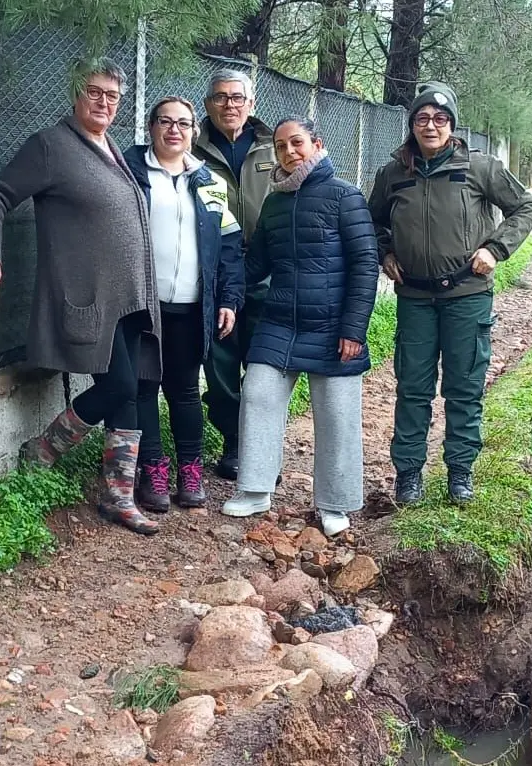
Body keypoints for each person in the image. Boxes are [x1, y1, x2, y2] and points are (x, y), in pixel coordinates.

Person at [0, 58, 163, 536]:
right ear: (76, 94)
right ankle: (45, 449)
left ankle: (117, 495)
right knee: (119, 386)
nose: (103, 103)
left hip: (128, 297)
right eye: (94, 93)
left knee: (131, 386)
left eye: (112, 97)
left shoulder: (111, 147)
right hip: (89, 298)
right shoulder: (50, 146)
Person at [367, 82, 532, 506]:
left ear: (452, 125)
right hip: (415, 299)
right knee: (413, 388)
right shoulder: (393, 173)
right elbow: (371, 222)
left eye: (440, 119)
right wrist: (385, 251)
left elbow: (525, 207)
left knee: (463, 386)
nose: (431, 126)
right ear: (411, 124)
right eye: (422, 118)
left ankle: (460, 472)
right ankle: (408, 474)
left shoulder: (480, 168)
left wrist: (495, 249)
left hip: (467, 294)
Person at [221, 117, 379, 537]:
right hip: (279, 323)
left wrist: (354, 329)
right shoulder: (274, 203)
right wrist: (224, 279)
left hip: (332, 326)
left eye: (297, 144)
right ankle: (255, 490)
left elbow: (366, 264)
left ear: (316, 144)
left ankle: (335, 503)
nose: (289, 152)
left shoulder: (345, 196)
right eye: (281, 146)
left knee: (337, 416)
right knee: (256, 395)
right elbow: (257, 264)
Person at [122, 97, 244, 512]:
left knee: (185, 390)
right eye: (165, 122)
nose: (174, 130)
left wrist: (229, 299)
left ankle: (190, 470)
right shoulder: (130, 172)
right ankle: (152, 469)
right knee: (143, 388)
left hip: (191, 306)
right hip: (143, 304)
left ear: (194, 131)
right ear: (151, 127)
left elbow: (229, 246)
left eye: (184, 124)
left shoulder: (209, 181)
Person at [192, 70, 276, 481]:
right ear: (208, 104)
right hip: (215, 274)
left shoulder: (273, 147)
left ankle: (263, 447)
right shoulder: (192, 149)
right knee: (221, 365)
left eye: (238, 97)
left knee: (265, 365)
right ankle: (233, 444)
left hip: (267, 274)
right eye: (221, 97)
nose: (230, 105)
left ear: (251, 103)